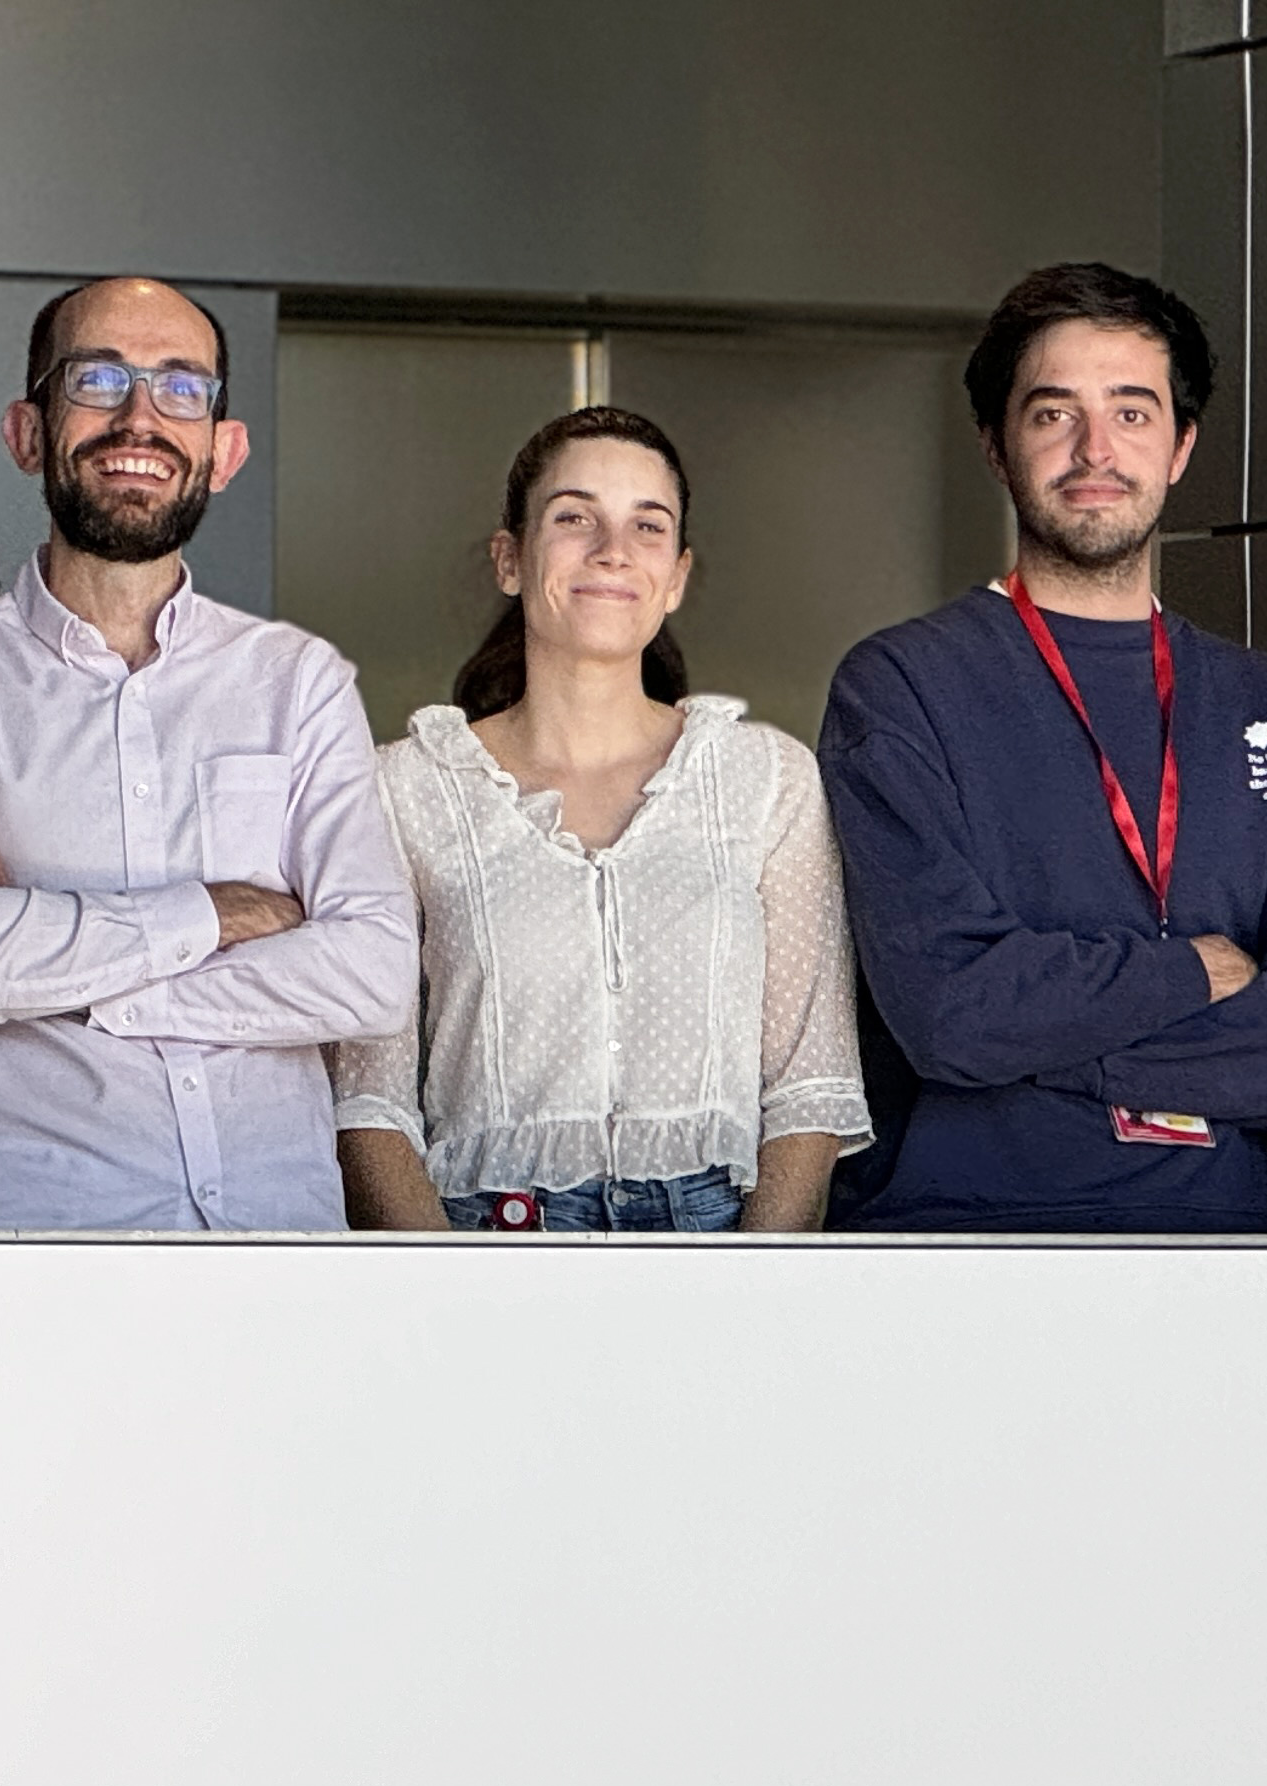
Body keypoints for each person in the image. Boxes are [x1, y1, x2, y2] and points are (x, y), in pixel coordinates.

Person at [819, 262, 1267, 1233]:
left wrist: (1039, 1033)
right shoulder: (901, 687)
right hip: (976, 1244)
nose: (1095, 448)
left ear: (1181, 446)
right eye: (1052, 413)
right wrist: (1194, 971)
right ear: (995, 445)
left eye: (1132, 411)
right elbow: (951, 1012)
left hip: (1246, 1254)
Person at [0, 275, 417, 1230]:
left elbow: (370, 973)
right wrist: (214, 912)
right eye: (97, 380)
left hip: (277, 1252)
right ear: (27, 432)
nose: (141, 417)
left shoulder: (298, 680)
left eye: (182, 388)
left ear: (222, 451)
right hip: (38, 1254)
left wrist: (46, 955)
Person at [330, 409, 872, 1231]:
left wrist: (758, 1290)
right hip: (487, 1235)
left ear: (678, 575)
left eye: (647, 526)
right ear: (510, 559)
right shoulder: (403, 788)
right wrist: (441, 1287)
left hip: (718, 1238)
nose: (613, 550)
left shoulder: (767, 779)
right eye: (574, 517)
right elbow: (368, 1096)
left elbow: (810, 1083)